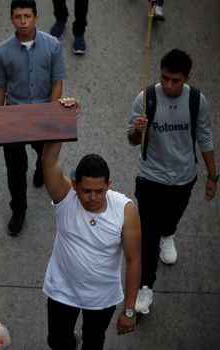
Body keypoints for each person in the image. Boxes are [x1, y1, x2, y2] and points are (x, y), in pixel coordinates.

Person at [43, 98, 141, 350]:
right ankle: (70, 339)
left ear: (109, 185)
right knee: (57, 342)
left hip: (102, 298)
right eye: (86, 191)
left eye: (99, 190)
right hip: (62, 290)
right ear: (75, 185)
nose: (93, 197)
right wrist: (63, 118)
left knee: (94, 342)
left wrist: (129, 310)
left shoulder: (125, 210)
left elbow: (133, 260)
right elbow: (49, 162)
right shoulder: (66, 197)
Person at [128, 49, 217, 315]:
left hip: (184, 177)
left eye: (175, 80)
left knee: (171, 219)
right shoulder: (146, 99)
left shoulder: (197, 101)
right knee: (149, 232)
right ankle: (145, 287)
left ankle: (169, 234)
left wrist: (213, 176)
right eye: (164, 78)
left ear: (186, 78)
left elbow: (205, 137)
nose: (168, 85)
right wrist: (138, 130)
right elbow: (131, 139)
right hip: (150, 177)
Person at [0, 0, 66, 236]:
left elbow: (57, 81)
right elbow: (0, 85)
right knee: (15, 169)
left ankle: (40, 166)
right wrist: (0, 117)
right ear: (11, 19)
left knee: (43, 156)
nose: (23, 21)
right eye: (18, 17)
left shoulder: (53, 45)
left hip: (42, 114)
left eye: (27, 16)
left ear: (36, 17)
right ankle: (19, 210)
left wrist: (51, 112)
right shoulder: (3, 51)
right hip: (15, 115)